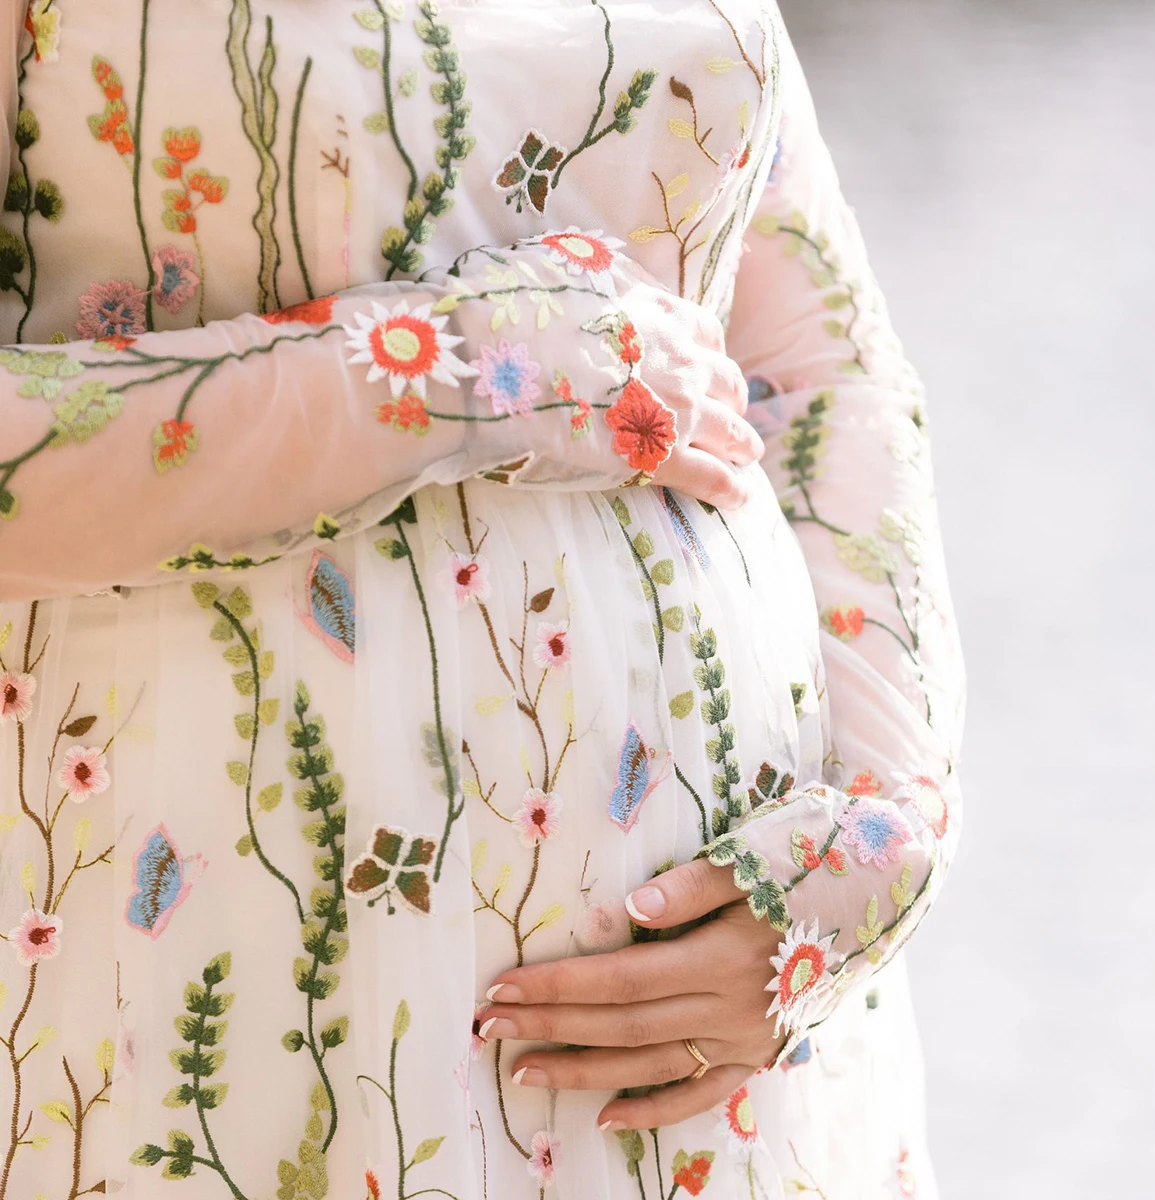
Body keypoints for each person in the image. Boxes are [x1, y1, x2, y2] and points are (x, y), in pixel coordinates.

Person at [0, 1, 965, 1197]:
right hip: (203, 956)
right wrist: (465, 367)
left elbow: (820, 376)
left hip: (704, 1042)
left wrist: (877, 838)